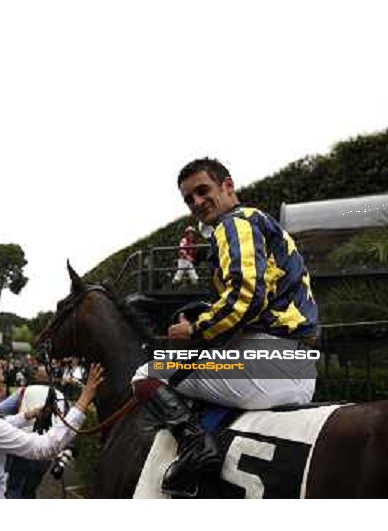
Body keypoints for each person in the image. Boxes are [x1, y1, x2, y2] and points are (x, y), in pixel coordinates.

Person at [132, 157, 318, 495]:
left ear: (228, 186)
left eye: (202, 191)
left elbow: (245, 298)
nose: (196, 203)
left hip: (265, 364)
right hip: (300, 371)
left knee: (146, 374)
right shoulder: (260, 224)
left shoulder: (236, 222)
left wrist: (192, 330)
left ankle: (197, 448)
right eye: (189, 199)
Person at [0, 349, 104, 499]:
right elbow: (44, 448)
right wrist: (84, 399)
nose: (2, 378)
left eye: (1, 371)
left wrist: (27, 415)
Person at [0, 364, 68, 499]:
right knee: (30, 490)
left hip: (22, 446)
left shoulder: (25, 391)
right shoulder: (61, 396)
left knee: (14, 488)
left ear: (35, 376)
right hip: (47, 450)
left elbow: (0, 410)